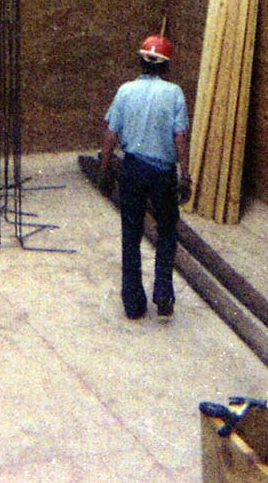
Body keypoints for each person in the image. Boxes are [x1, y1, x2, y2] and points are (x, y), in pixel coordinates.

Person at [99, 34, 191, 321]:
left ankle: (133, 304)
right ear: (166, 67)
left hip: (133, 169)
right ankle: (163, 296)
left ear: (140, 61)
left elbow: (110, 134)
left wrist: (104, 170)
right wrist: (184, 175)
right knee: (166, 234)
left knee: (131, 236)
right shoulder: (174, 93)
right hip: (163, 173)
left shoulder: (125, 91)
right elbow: (180, 137)